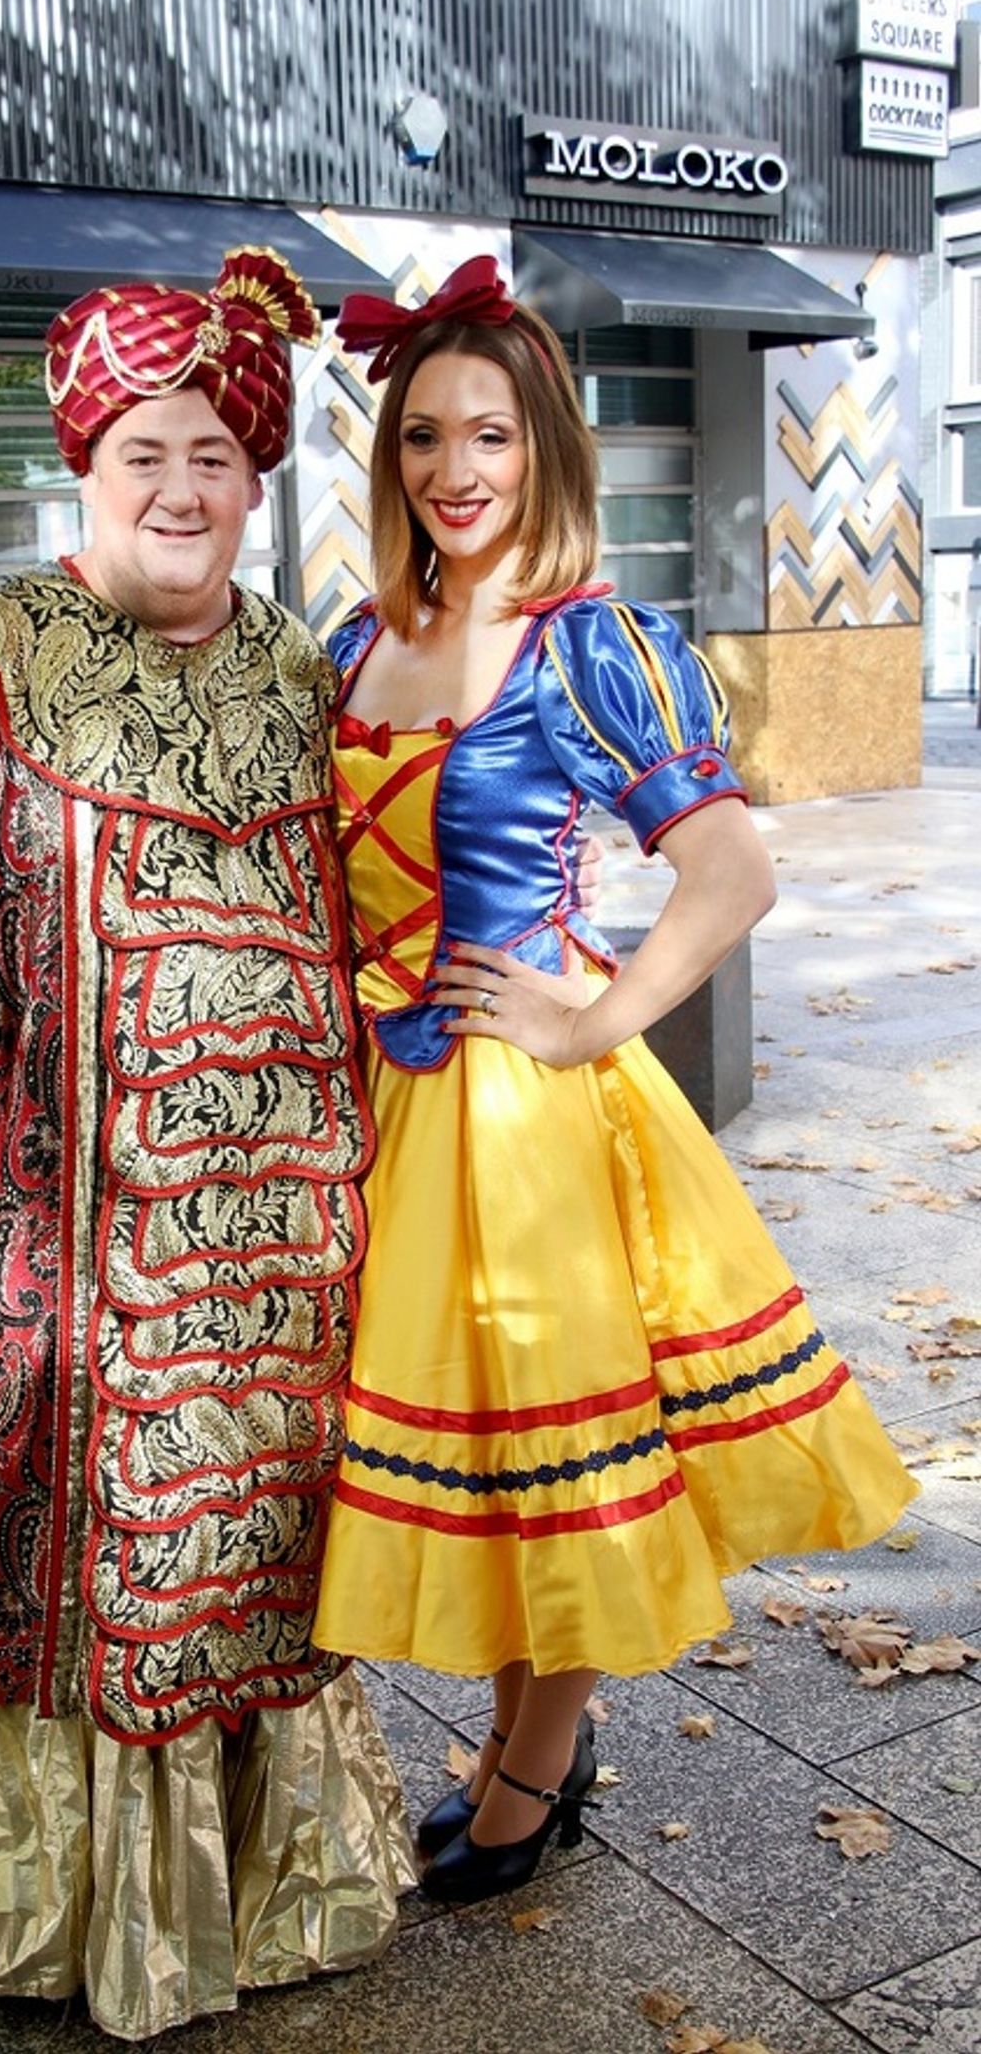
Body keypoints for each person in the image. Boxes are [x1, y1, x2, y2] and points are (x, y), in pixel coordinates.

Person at [0, 248, 418, 2042]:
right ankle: (62, 1913)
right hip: (61, 1248)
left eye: (216, 452)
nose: (183, 487)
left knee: (266, 1551)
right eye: (146, 450)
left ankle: (277, 1885)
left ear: (257, 476)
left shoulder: (308, 674)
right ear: (86, 464)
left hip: (282, 1246)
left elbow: (398, 893)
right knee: (66, 1548)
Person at [309, 256, 920, 1905]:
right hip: (380, 1108)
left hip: (525, 1119)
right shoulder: (353, 637)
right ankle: (535, 1753)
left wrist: (596, 1018)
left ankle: (527, 1767)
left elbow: (730, 868)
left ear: (545, 451)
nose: (456, 468)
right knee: (487, 1456)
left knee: (554, 1450)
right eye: (425, 434)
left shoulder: (588, 644)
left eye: (490, 435)